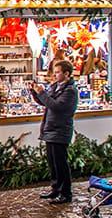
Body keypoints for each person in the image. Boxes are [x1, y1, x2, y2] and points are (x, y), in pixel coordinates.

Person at [30, 60, 79, 205]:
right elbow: (45, 102)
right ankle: (56, 188)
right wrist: (35, 92)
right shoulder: (55, 87)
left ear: (67, 74)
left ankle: (65, 193)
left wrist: (42, 93)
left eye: (58, 72)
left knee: (60, 163)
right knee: (52, 162)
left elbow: (55, 106)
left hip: (60, 129)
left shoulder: (70, 91)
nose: (55, 75)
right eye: (55, 72)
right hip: (50, 128)